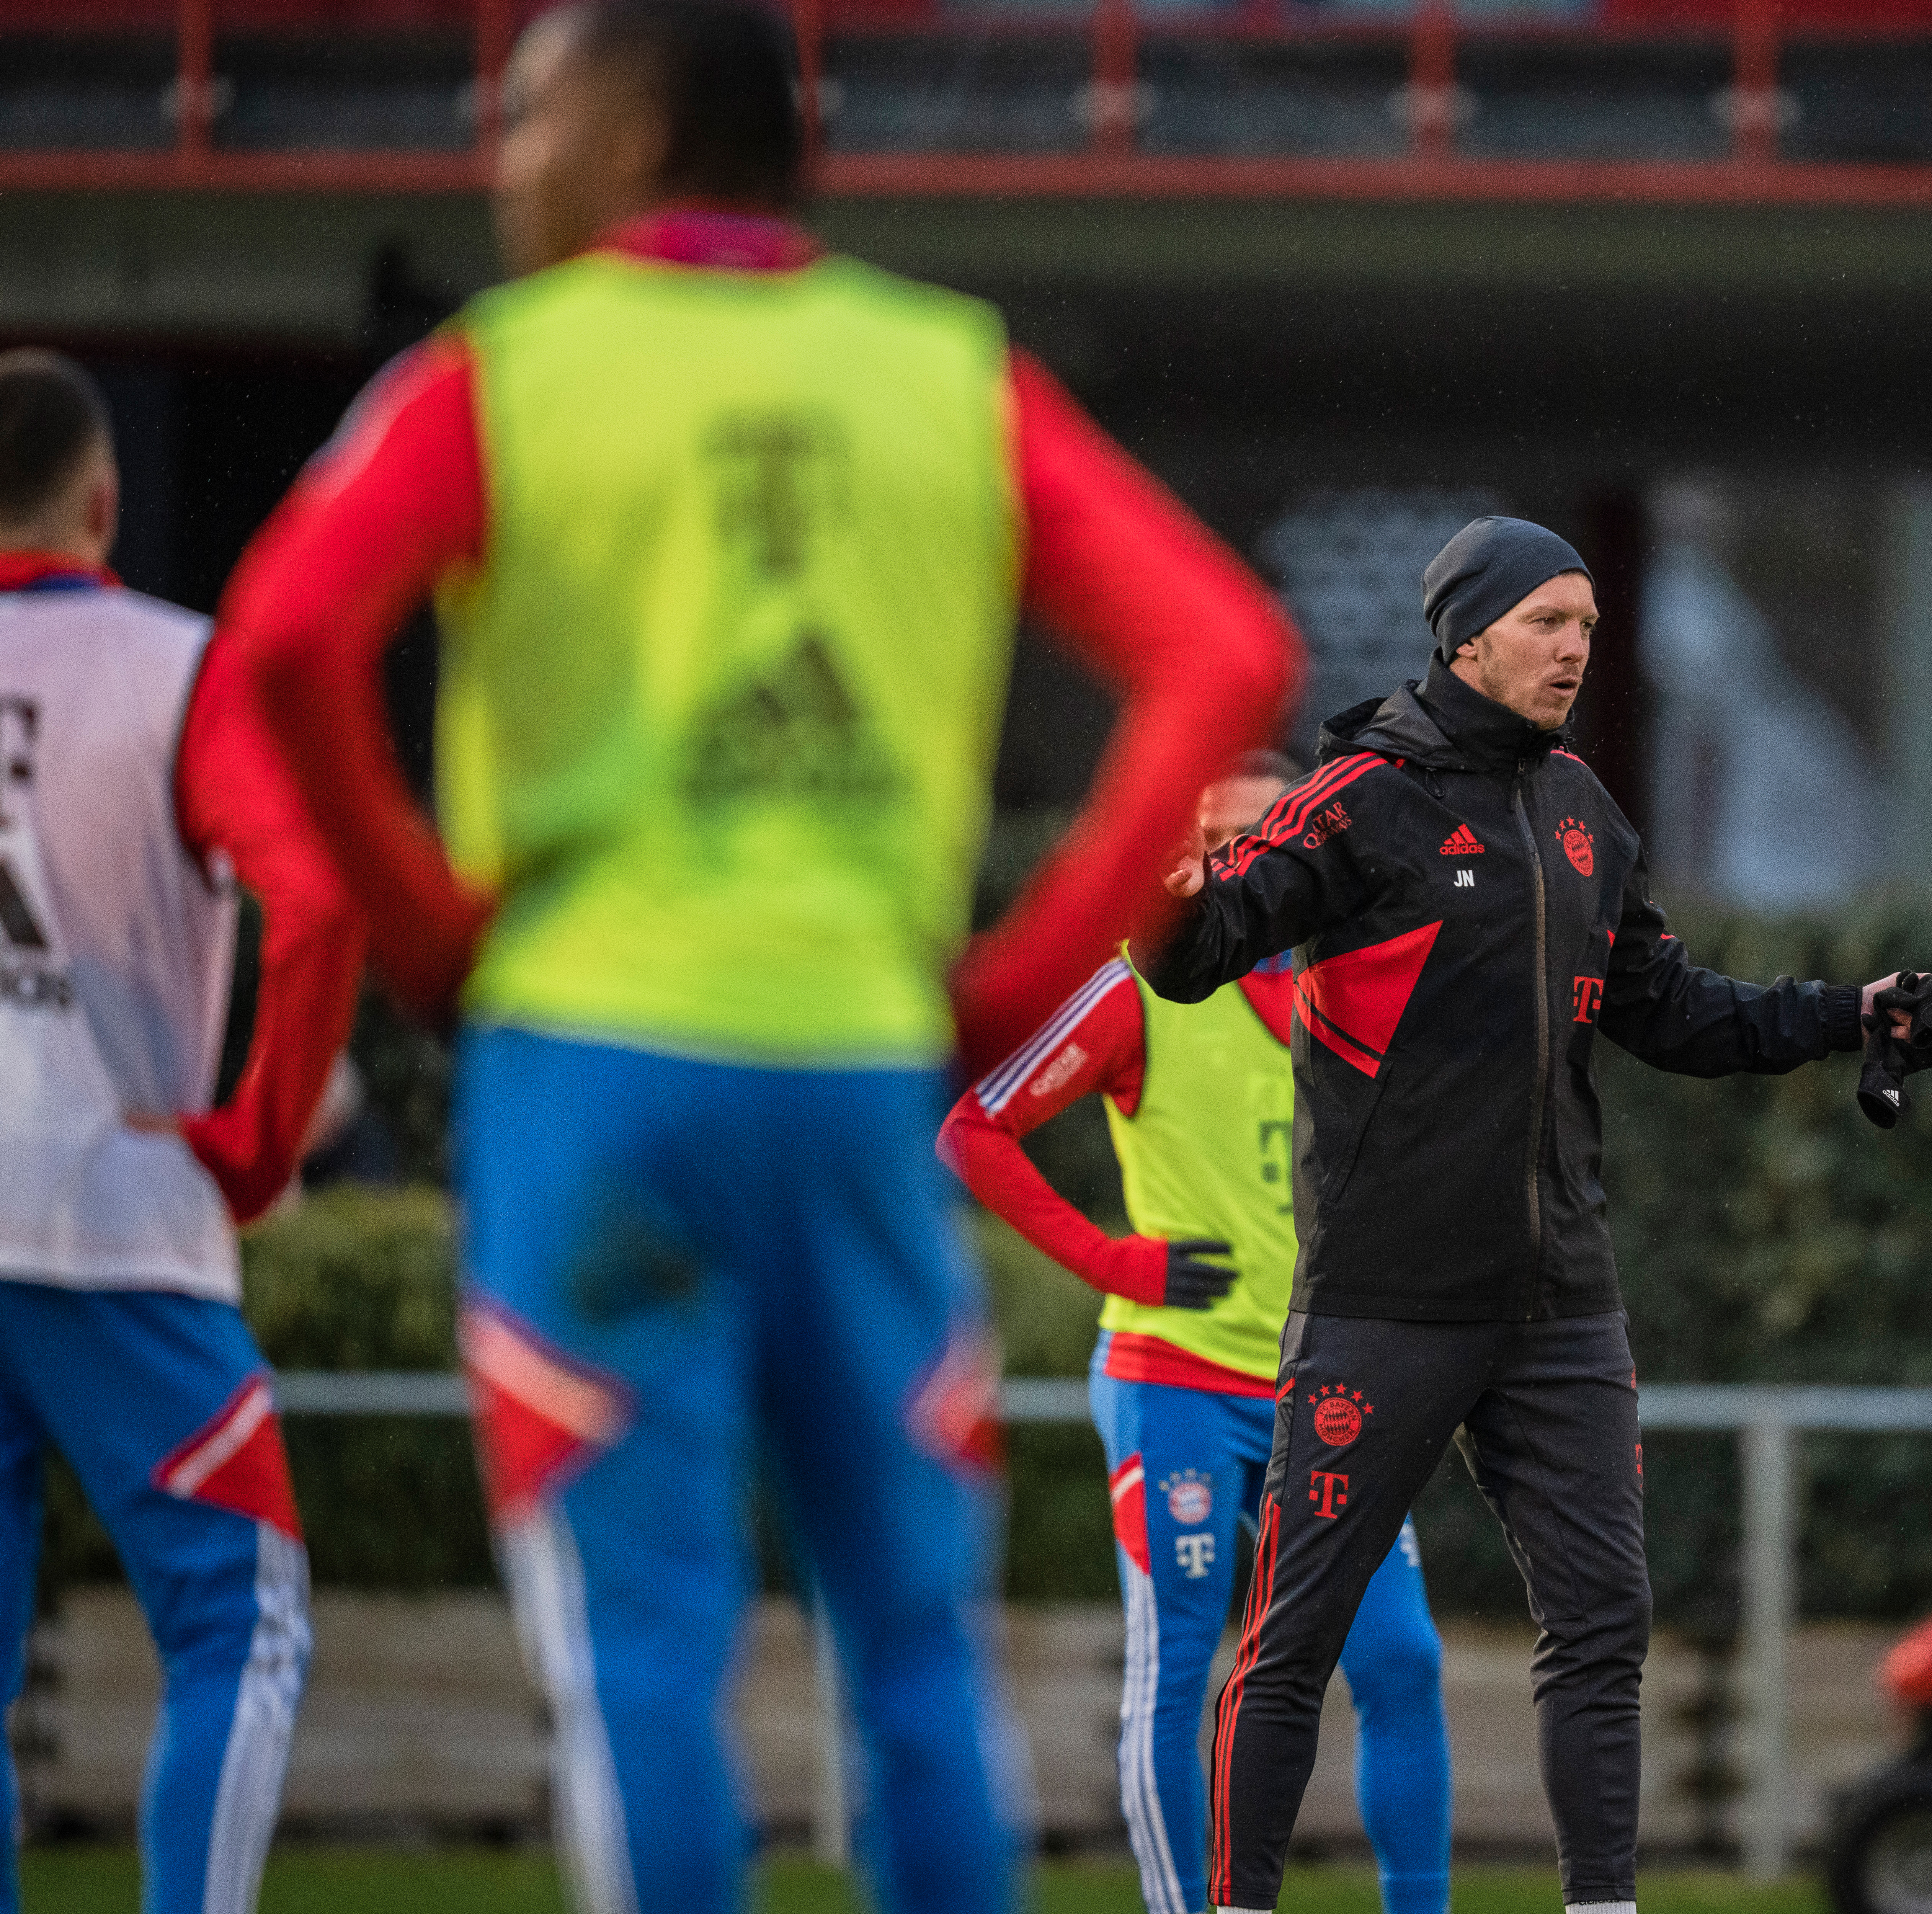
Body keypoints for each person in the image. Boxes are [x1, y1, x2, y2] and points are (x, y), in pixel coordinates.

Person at [211, 3, 1298, 1907]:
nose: (501, 148)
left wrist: (430, 931)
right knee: (910, 1645)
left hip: (588, 1055)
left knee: (642, 1651)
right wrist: (1017, 967)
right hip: (856, 1058)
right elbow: (1225, 651)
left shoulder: (503, 369)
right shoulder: (951, 371)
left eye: (531, 106)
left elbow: (288, 642)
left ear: (638, 139)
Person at [1140, 514, 1932, 1914]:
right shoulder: (1359, 796)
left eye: (1589, 627)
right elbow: (1211, 943)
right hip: (1380, 1304)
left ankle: (1603, 1907)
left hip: (1560, 1310)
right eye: (1548, 623)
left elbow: (1678, 1012)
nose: (1575, 650)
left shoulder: (1586, 811)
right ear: (1466, 633)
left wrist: (1852, 1012)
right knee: (1295, 1639)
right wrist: (1157, 906)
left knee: (1603, 1632)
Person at [945, 753, 1455, 1914]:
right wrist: (1117, 1263)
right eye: (1216, 839)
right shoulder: (1139, 984)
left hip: (1328, 1391)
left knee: (1399, 1664)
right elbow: (975, 1127)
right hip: (1171, 1383)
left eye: (1260, 838)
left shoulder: (1361, 994)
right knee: (1181, 1667)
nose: (1237, 862)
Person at [0, 349, 364, 1913]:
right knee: (242, 1615)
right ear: (105, 496)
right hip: (115, 1214)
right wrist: (263, 1142)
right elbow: (324, 894)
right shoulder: (176, 668)